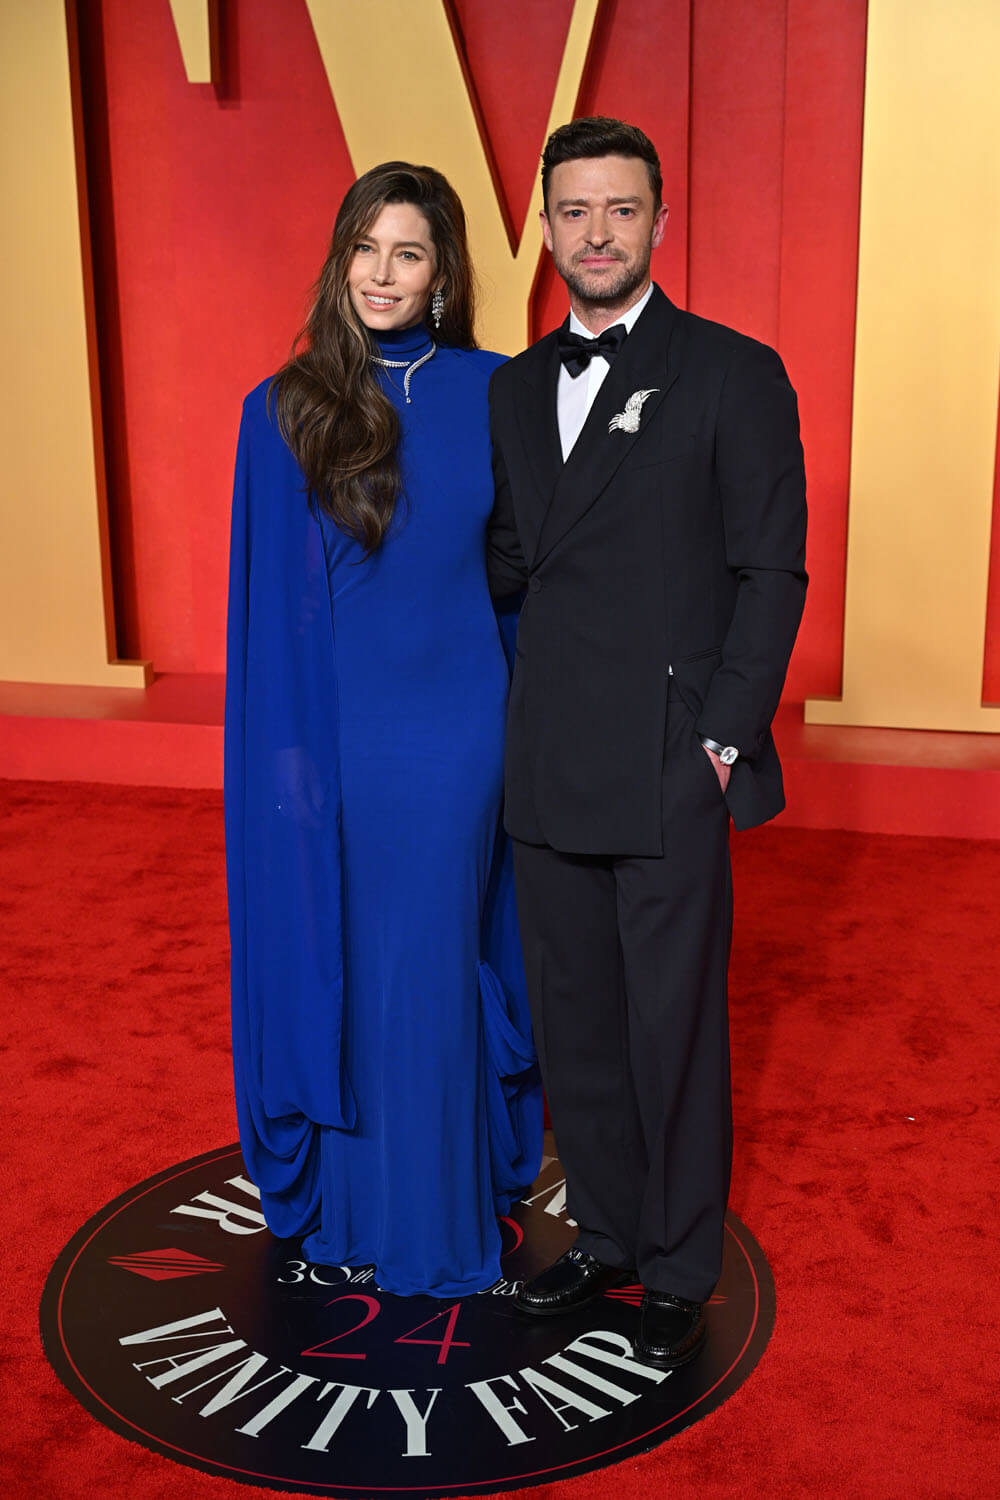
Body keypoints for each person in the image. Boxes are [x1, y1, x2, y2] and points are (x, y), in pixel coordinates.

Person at [487, 118, 807, 1365]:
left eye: (621, 209)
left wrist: (722, 738)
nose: (597, 233)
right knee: (576, 1020)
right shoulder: (515, 389)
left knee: (671, 1022)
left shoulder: (732, 371)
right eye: (574, 210)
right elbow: (507, 561)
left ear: (660, 224)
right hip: (550, 752)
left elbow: (770, 571)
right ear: (546, 227)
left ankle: (678, 1262)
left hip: (670, 753)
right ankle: (610, 1235)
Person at [225, 162, 543, 1299]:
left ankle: (430, 1218)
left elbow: (526, 572)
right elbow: (269, 614)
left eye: (407, 253)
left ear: (443, 270)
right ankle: (355, 1200)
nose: (381, 273)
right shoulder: (284, 407)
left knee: (428, 955)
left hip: (461, 729)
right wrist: (289, 767)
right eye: (364, 247)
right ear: (339, 258)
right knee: (352, 955)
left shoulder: (497, 390)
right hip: (341, 736)